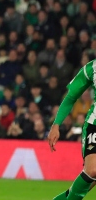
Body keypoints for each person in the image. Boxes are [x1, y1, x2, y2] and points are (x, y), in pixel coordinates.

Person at [48, 61, 96, 200]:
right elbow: (70, 97)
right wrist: (56, 125)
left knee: (84, 187)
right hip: (95, 124)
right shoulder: (91, 68)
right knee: (93, 170)